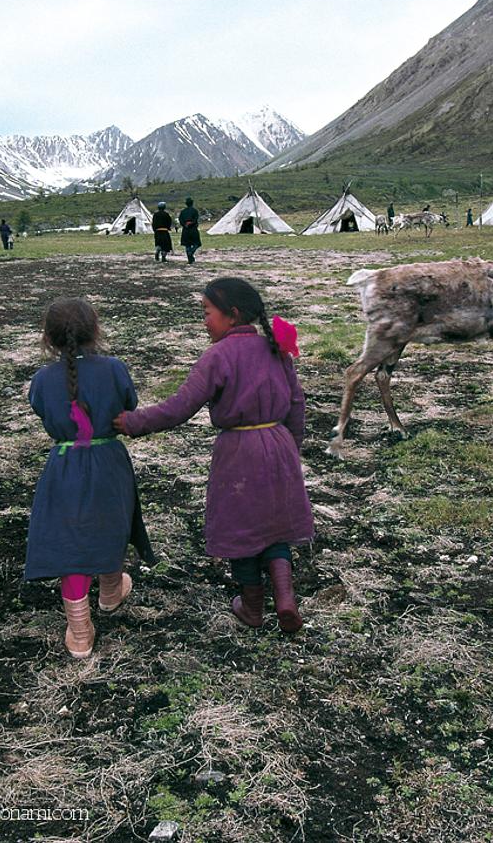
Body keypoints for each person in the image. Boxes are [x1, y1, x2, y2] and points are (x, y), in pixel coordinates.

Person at [113, 278, 313, 633]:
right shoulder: (275, 348)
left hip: (239, 453)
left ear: (232, 315)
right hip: (279, 447)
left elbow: (180, 407)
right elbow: (296, 402)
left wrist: (133, 422)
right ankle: (285, 598)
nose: (204, 321)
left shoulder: (218, 355)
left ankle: (252, 609)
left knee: (242, 531)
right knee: (275, 525)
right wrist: (291, 449)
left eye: (207, 313)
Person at [24, 298, 155, 659]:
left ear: (48, 338)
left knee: (72, 539)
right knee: (112, 524)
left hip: (65, 464)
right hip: (109, 460)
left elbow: (39, 407)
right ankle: (111, 593)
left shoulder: (42, 379)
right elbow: (129, 402)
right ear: (95, 330)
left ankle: (80, 631)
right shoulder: (114, 369)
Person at [179, 197, 202, 264]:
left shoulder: (183, 212)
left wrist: (185, 225)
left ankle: (190, 259)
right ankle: (191, 252)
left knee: (187, 245)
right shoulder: (195, 211)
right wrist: (191, 223)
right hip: (193, 229)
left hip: (185, 230)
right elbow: (196, 219)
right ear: (192, 203)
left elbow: (181, 220)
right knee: (197, 243)